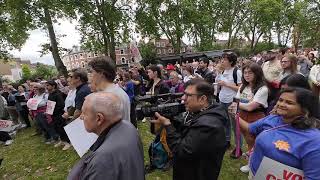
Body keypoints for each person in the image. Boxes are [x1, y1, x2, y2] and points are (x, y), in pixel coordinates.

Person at [151, 79, 227, 180]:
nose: (183, 98)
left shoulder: (208, 125)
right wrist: (172, 120)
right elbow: (189, 130)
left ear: (202, 99)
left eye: (188, 95)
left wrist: (168, 125)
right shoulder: (203, 111)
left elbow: (181, 151)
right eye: (184, 94)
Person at [239, 88, 320, 179]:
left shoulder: (314, 140)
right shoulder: (272, 119)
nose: (281, 104)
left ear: (305, 109)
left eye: (289, 103)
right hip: (254, 174)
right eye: (280, 100)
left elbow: (314, 177)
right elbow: (250, 128)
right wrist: (235, 115)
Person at [68, 92, 145, 180]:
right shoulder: (128, 126)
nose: (81, 117)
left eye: (84, 113)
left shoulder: (102, 160)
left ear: (99, 118)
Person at [235, 63, 269, 173]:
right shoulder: (243, 86)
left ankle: (255, 164)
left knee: (256, 141)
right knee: (248, 140)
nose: (247, 75)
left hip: (256, 116)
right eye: (245, 72)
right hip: (242, 115)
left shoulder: (262, 88)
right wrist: (239, 104)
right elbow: (237, 99)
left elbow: (251, 107)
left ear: (257, 73)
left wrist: (237, 105)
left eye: (250, 72)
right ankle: (251, 163)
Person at [88, 57, 131, 121]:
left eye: (91, 72)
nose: (89, 75)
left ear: (101, 73)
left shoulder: (107, 96)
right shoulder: (117, 91)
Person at [217, 52, 242, 152]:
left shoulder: (237, 72)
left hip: (232, 101)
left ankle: (238, 147)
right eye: (222, 59)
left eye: (225, 59)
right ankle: (227, 141)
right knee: (225, 122)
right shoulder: (223, 71)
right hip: (222, 100)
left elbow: (241, 88)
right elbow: (221, 85)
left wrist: (226, 84)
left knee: (235, 125)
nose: (222, 61)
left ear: (231, 61)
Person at [46, 80, 67, 144]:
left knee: (62, 128)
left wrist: (53, 111)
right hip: (53, 115)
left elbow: (61, 105)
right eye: (46, 85)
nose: (46, 87)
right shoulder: (50, 94)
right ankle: (62, 140)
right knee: (57, 128)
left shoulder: (57, 94)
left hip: (59, 114)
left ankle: (67, 142)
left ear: (53, 86)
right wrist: (48, 111)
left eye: (48, 85)